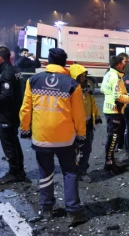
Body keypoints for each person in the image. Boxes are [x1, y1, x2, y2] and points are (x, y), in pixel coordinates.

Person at [19, 48, 87, 223]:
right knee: (70, 171)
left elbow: (26, 108)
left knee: (45, 172)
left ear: (48, 61)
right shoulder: (72, 84)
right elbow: (78, 114)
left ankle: (47, 208)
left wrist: (25, 129)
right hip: (65, 139)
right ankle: (73, 211)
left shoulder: (33, 80)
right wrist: (81, 135)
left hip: (41, 137)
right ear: (64, 63)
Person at [69, 64, 102, 183]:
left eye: (84, 75)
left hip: (87, 125)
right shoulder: (71, 90)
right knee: (74, 150)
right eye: (80, 76)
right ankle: (73, 172)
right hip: (75, 127)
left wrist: (96, 117)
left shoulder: (87, 89)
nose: (83, 78)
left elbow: (92, 104)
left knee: (86, 150)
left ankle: (82, 171)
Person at [100, 56, 129, 174]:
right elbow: (118, 96)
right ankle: (109, 163)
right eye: (122, 63)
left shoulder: (108, 74)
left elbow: (103, 89)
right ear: (118, 64)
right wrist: (128, 98)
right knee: (113, 138)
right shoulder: (116, 77)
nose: (124, 65)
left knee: (112, 136)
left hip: (108, 109)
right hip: (114, 111)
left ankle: (111, 160)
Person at [0, 46, 26, 185]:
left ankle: (14, 173)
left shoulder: (7, 73)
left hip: (7, 115)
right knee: (14, 142)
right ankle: (19, 171)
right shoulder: (15, 70)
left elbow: (6, 96)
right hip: (14, 112)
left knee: (9, 144)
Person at [116, 53, 129, 152]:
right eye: (126, 61)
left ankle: (121, 144)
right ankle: (116, 145)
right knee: (116, 127)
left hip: (123, 104)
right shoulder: (114, 73)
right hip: (116, 105)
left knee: (123, 125)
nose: (127, 63)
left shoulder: (125, 72)